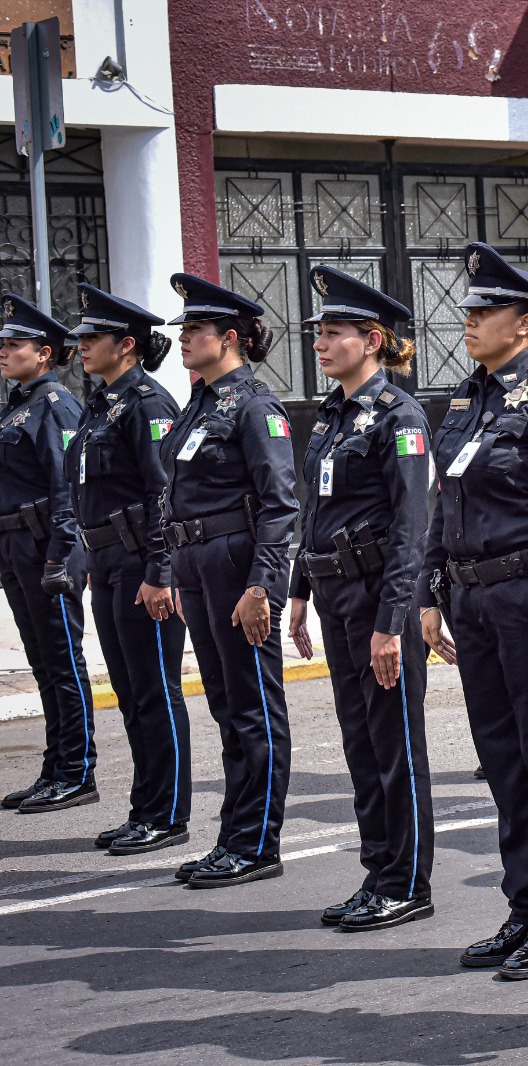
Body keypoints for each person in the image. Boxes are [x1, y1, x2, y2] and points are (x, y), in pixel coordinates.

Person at [420, 244, 528, 978]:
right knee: (503, 764)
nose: (469, 320)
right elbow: (444, 501)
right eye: (468, 309)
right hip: (473, 600)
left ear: (525, 323)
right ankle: (523, 907)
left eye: (484, 310)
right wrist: (432, 592)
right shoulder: (468, 398)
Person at [286, 267, 435, 931]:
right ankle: (378, 872)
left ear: (373, 339)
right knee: (359, 744)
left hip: (380, 598)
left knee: (392, 742)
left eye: (334, 333)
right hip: (334, 592)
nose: (320, 343)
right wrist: (297, 590)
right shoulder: (333, 415)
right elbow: (315, 510)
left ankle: (406, 881)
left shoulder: (400, 416)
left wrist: (392, 623)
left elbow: (412, 525)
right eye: (319, 332)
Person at [161, 275, 298, 888]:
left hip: (235, 564)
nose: (184, 339)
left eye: (195, 330)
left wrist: (262, 586)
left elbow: (280, 504)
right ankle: (233, 835)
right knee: (225, 705)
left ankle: (257, 841)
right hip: (197, 564)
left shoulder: (254, 406)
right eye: (185, 329)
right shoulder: (198, 402)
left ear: (230, 338)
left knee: (253, 708)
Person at [66, 285, 190, 851]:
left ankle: (165, 814)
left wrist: (161, 571)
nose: (83, 346)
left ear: (128, 344)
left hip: (143, 561)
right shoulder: (100, 406)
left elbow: (165, 494)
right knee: (129, 689)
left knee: (155, 690)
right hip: (109, 561)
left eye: (93, 337)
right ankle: (145, 806)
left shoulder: (148, 405)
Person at [0, 294, 94, 814]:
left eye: (14, 344)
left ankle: (78, 771)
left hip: (46, 549)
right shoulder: (18, 406)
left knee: (63, 662)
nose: (4, 351)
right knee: (42, 664)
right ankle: (55, 766)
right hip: (18, 547)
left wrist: (61, 554)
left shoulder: (56, 405)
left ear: (44, 353)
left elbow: (66, 488)